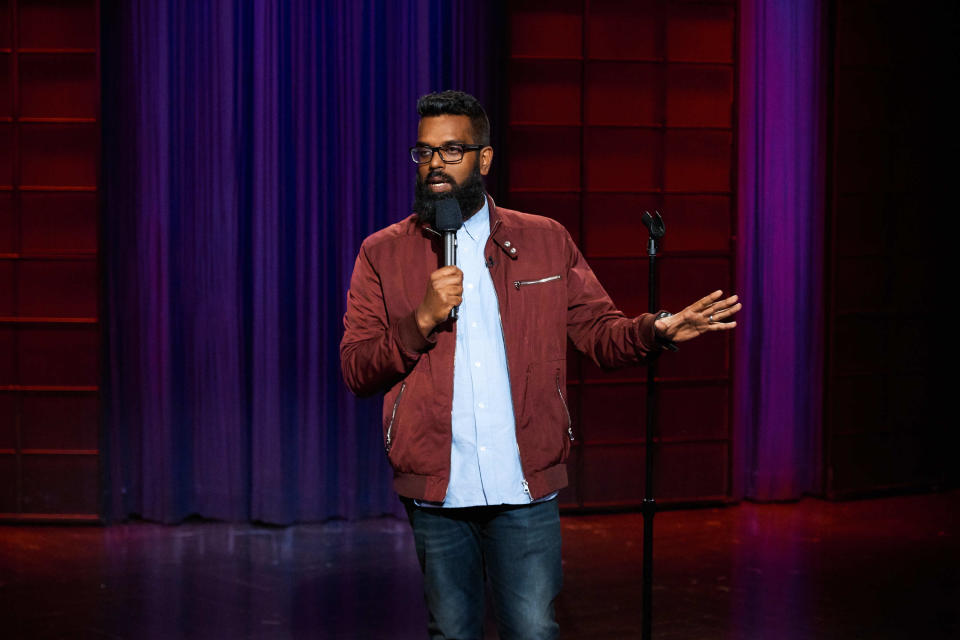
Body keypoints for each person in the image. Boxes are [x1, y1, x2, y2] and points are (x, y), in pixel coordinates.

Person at [340, 90, 741, 640]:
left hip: (523, 489)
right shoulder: (381, 253)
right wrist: (421, 319)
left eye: (451, 150)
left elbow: (600, 333)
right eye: (424, 152)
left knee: (533, 631)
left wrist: (656, 330)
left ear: (484, 159)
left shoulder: (545, 240)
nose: (435, 164)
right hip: (437, 492)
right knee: (452, 633)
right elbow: (358, 368)